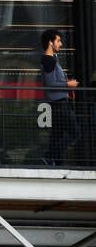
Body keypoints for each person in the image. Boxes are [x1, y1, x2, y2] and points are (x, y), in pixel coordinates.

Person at [39, 29, 79, 166]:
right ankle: (50, 156)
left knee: (57, 135)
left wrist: (67, 87)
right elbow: (51, 84)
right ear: (50, 42)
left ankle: (53, 160)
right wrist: (69, 84)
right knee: (75, 132)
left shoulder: (51, 60)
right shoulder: (49, 60)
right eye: (58, 40)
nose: (60, 44)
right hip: (59, 105)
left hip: (57, 104)